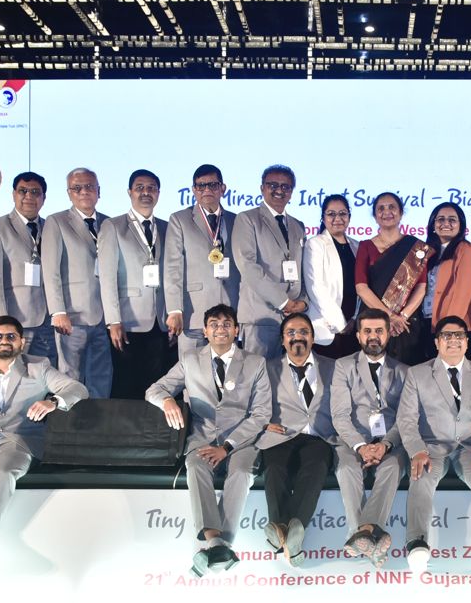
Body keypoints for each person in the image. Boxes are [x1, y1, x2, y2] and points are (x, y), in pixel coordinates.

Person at [0, 315, 87, 566]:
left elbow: (78, 389)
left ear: (21, 342)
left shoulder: (39, 367)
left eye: (11, 336)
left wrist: (53, 402)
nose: (4, 341)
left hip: (21, 437)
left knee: (4, 471)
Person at [146, 304, 272, 576]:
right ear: (205, 331)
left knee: (241, 472)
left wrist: (226, 447)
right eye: (214, 324)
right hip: (202, 437)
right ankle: (218, 545)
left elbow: (262, 413)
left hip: (242, 440)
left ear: (236, 330)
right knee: (196, 466)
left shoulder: (255, 363)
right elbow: (154, 390)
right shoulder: (190, 359)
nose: (220, 329)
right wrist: (167, 400)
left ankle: (212, 546)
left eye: (226, 324)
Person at [397, 316, 471, 572]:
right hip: (431, 448)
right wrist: (417, 450)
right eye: (447, 335)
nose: (453, 340)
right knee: (420, 478)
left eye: (459, 335)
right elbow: (406, 419)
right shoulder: (417, 374)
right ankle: (416, 543)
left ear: (467, 342)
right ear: (437, 342)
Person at [256, 314, 336, 566]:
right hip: (281, 433)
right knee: (274, 468)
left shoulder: (334, 367)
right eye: (290, 332)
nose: (297, 336)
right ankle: (292, 536)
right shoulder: (266, 368)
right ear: (282, 340)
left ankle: (282, 531)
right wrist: (263, 424)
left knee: (316, 468)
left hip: (319, 435)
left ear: (313, 337)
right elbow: (252, 404)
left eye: (303, 331)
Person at [330, 307, 408, 566]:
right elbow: (340, 416)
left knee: (393, 467)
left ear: (388, 334)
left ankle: (361, 535)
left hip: (391, 441)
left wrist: (385, 445)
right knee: (346, 469)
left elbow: (406, 418)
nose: (373, 336)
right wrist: (362, 446)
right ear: (359, 336)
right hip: (353, 439)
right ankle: (370, 535)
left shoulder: (404, 371)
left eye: (379, 331)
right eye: (367, 331)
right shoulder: (343, 367)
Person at [98, 169, 176, 399]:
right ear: (129, 192)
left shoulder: (168, 228)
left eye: (151, 188)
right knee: (127, 386)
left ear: (158, 193)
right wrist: (113, 320)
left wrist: (173, 312)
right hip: (127, 322)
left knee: (158, 385)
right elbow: (107, 278)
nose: (146, 193)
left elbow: (174, 274)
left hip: (161, 321)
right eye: (140, 188)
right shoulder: (113, 226)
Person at [42, 167, 112, 397]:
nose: (84, 192)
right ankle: (71, 418)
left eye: (89, 186)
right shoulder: (57, 222)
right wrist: (58, 311)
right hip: (71, 316)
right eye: (77, 188)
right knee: (70, 376)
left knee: (101, 376)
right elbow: (51, 271)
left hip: (105, 316)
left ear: (99, 191)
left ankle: (99, 418)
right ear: (69, 193)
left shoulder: (109, 223)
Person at [0, 172, 57, 366]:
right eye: (23, 191)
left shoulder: (51, 227)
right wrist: (1, 323)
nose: (29, 196)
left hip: (49, 320)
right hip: (15, 319)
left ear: (44, 198)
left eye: (35, 192)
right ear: (14, 194)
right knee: (13, 371)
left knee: (45, 372)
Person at [232, 164, 306, 356]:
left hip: (294, 317)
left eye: (285, 186)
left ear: (291, 191)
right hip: (260, 317)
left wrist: (303, 303)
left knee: (289, 374)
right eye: (273, 185)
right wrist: (283, 302)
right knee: (257, 373)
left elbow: (305, 269)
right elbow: (248, 266)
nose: (279, 190)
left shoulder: (298, 225)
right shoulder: (247, 219)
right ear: (262, 188)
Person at [163, 163, 238, 348]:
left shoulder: (237, 220)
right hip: (193, 313)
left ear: (223, 188)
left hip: (231, 312)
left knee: (228, 365)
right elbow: (173, 267)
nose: (206, 190)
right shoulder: (179, 219)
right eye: (201, 186)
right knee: (192, 366)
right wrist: (174, 309)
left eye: (213, 185)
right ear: (194, 190)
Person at [354, 192, 430, 364]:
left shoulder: (416, 247)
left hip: (407, 322)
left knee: (408, 370)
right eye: (381, 208)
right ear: (375, 216)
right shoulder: (365, 246)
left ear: (401, 213)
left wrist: (402, 316)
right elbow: (361, 288)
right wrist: (390, 316)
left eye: (391, 207)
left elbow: (421, 287)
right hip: (373, 321)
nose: (386, 212)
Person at [422, 202, 471, 361]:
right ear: (433, 224)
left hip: (456, 324)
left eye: (452, 220)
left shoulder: (467, 249)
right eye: (441, 219)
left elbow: (464, 291)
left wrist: (449, 329)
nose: (446, 223)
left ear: (460, 225)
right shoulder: (426, 251)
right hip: (429, 321)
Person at [305, 194, 361, 358]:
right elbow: (315, 287)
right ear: (323, 218)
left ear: (349, 217)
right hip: (326, 328)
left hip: (353, 326)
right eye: (331, 214)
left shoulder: (357, 246)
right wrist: (340, 324)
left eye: (342, 213)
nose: (337, 219)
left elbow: (361, 286)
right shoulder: (315, 244)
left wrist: (354, 318)